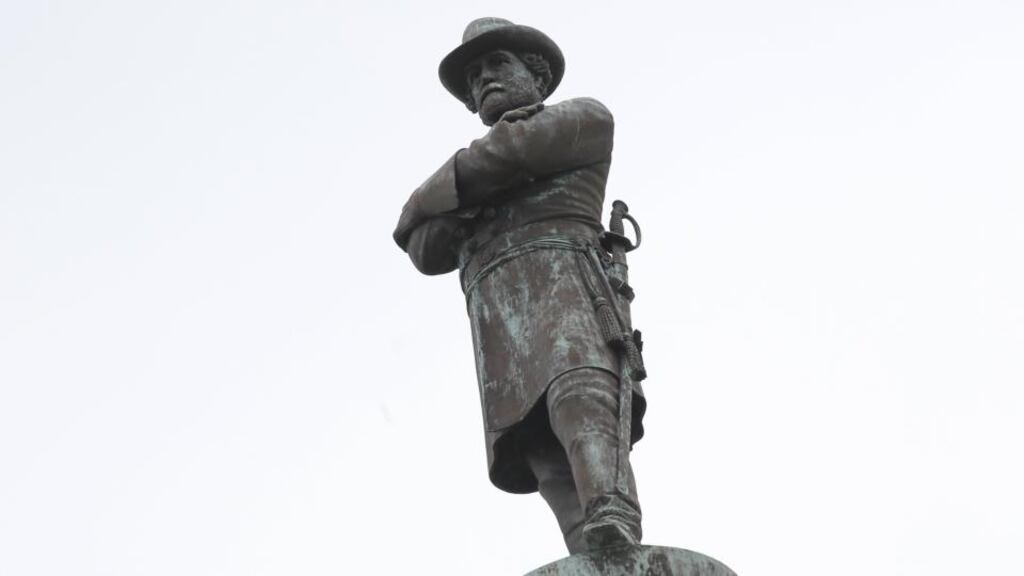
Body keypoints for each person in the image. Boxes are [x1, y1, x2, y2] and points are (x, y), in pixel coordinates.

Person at [392, 17, 646, 553]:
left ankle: (613, 515)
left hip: (566, 290)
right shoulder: (485, 165)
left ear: (536, 75)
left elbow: (513, 153)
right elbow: (424, 249)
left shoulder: (583, 119)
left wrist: (434, 197)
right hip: (499, 318)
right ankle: (587, 549)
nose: (483, 78)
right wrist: (461, 192)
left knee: (578, 399)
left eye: (496, 64)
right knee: (536, 446)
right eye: (474, 75)